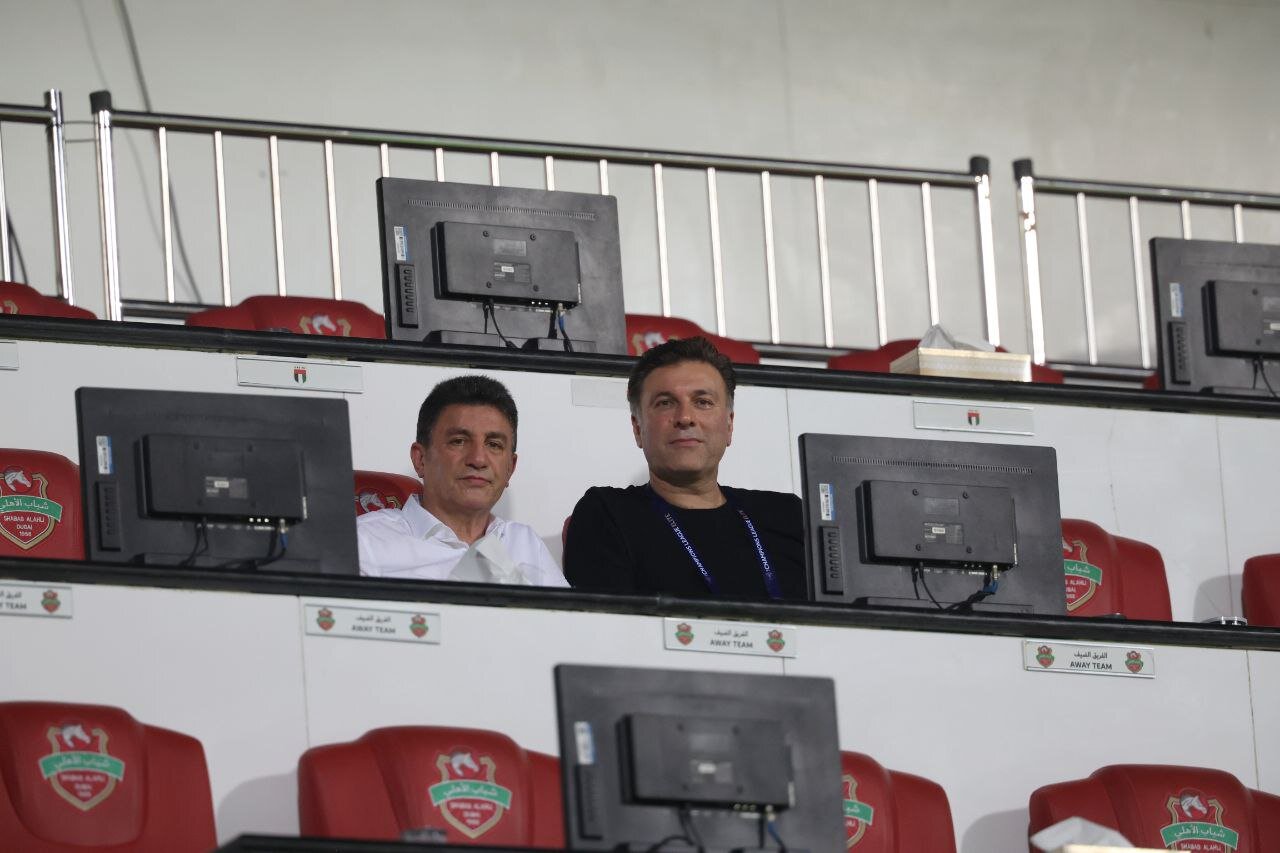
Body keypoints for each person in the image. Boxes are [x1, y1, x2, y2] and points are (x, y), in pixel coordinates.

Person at [563, 337, 805, 599]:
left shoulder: (788, 514)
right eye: (665, 403)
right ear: (637, 428)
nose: (685, 418)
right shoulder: (608, 513)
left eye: (703, 402)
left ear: (729, 425)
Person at [357, 375, 567, 586]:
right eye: (458, 441)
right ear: (420, 459)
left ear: (510, 469)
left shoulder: (525, 543)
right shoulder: (365, 542)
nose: (478, 459)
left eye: (494, 445)